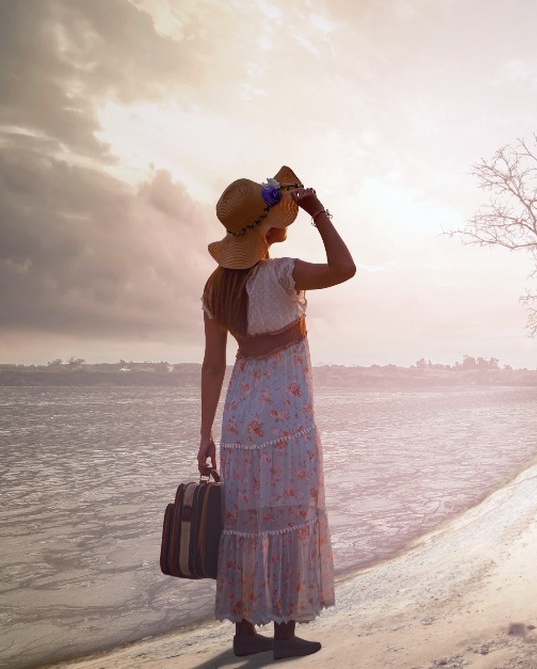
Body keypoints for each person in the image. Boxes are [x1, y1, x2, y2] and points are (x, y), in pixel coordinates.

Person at [197, 165, 355, 659]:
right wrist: (318, 213)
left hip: (241, 421)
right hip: (287, 420)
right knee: (292, 515)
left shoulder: (215, 288)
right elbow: (345, 268)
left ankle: (244, 633)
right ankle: (284, 635)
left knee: (243, 521)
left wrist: (205, 435)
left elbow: (212, 365)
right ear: (268, 225)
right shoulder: (284, 274)